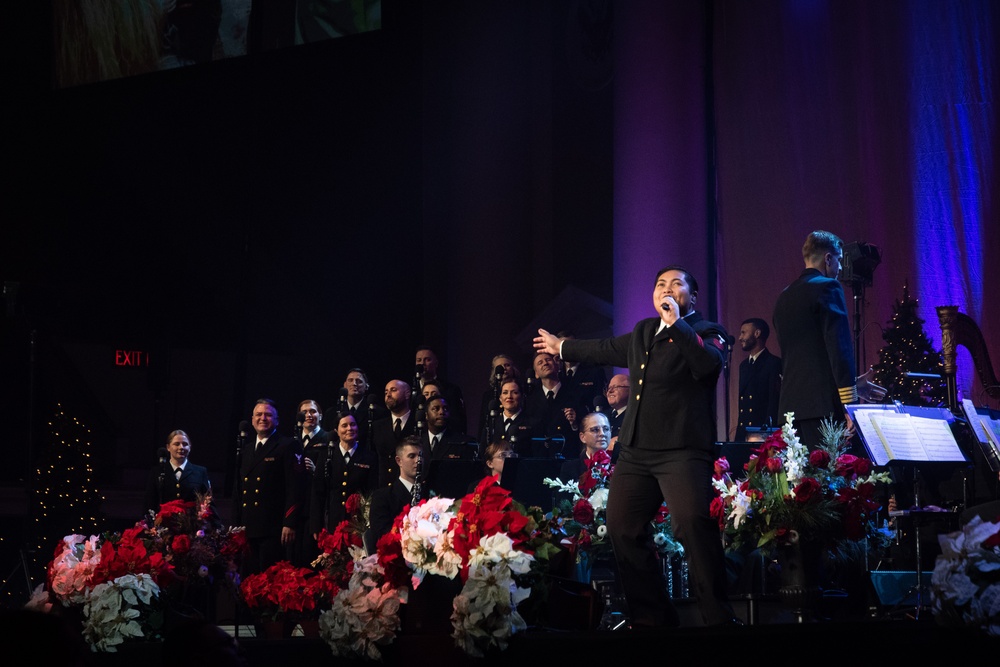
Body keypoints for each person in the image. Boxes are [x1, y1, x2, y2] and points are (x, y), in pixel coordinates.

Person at [534, 265, 738, 628]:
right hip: (637, 451)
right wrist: (561, 346)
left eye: (677, 284)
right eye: (661, 284)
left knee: (692, 526)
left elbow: (707, 366)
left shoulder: (709, 332)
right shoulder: (645, 331)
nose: (667, 289)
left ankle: (718, 619)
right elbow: (605, 348)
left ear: (692, 296)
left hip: (682, 450)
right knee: (622, 527)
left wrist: (678, 325)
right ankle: (653, 618)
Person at [772, 231, 857, 450]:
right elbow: (839, 349)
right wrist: (849, 402)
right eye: (838, 260)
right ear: (828, 258)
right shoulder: (828, 287)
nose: (839, 269)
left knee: (801, 481)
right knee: (830, 479)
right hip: (823, 406)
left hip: (790, 409)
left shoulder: (784, 295)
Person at [234, 399, 306, 576]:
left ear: (277, 420)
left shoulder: (288, 445)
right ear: (252, 420)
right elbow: (239, 489)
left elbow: (295, 487)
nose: (263, 418)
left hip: (273, 528)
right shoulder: (247, 449)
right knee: (248, 581)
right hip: (249, 527)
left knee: (270, 581)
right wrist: (237, 526)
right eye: (258, 414)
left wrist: (289, 522)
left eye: (268, 415)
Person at [310, 412, 379, 538]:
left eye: (353, 425)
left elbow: (372, 492)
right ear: (336, 430)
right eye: (344, 425)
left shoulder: (369, 457)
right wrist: (316, 525)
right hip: (332, 522)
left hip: (357, 523)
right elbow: (318, 492)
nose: (349, 429)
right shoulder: (326, 456)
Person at [365, 437, 423, 552]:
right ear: (399, 461)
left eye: (420, 456)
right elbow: (381, 535)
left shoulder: (430, 494)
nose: (418, 460)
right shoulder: (382, 497)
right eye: (412, 456)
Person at [524, 350, 583, 458]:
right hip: (540, 458)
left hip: (567, 455)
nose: (545, 363)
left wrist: (574, 423)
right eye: (540, 363)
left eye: (548, 360)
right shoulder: (530, 400)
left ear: (557, 365)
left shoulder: (574, 393)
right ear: (536, 374)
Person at [735, 317, 783, 441]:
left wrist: (768, 432)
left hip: (761, 433)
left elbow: (773, 401)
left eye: (743, 332)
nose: (740, 338)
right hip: (744, 431)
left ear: (757, 333)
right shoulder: (743, 366)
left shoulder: (773, 363)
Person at [143, 429, 212, 513]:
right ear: (168, 447)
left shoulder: (200, 472)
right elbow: (149, 502)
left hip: (191, 523)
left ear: (190, 447)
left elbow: (208, 502)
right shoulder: (157, 471)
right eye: (176, 444)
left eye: (185, 444)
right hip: (164, 523)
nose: (181, 447)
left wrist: (217, 525)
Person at [296, 399, 329, 565]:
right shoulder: (294, 442)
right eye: (305, 412)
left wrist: (317, 471)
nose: (309, 415)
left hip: (315, 507)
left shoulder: (328, 439)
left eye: (313, 411)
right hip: (296, 507)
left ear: (320, 415)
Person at [371, 380, 417, 488]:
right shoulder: (378, 426)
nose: (388, 394)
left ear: (407, 394)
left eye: (393, 390)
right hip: (385, 488)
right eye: (386, 392)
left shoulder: (418, 423)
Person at [415, 345, 468, 434]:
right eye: (419, 360)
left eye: (427, 359)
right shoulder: (412, 390)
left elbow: (458, 421)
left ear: (436, 363)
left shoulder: (451, 389)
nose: (422, 364)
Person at [481, 378, 537, 456]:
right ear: (500, 398)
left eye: (514, 392)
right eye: (505, 392)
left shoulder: (532, 424)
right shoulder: (491, 424)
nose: (509, 396)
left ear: (521, 396)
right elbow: (483, 454)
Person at [476, 353, 521, 439]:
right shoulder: (488, 395)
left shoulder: (521, 391)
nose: (504, 369)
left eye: (507, 365)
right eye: (499, 366)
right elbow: (483, 421)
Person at [560, 411, 611, 482]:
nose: (602, 434)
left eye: (606, 429)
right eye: (595, 430)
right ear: (582, 437)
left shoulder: (620, 465)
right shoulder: (570, 468)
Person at [603, 373, 630, 457]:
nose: (610, 391)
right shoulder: (602, 416)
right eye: (609, 388)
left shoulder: (635, 415)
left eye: (616, 387)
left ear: (630, 390)